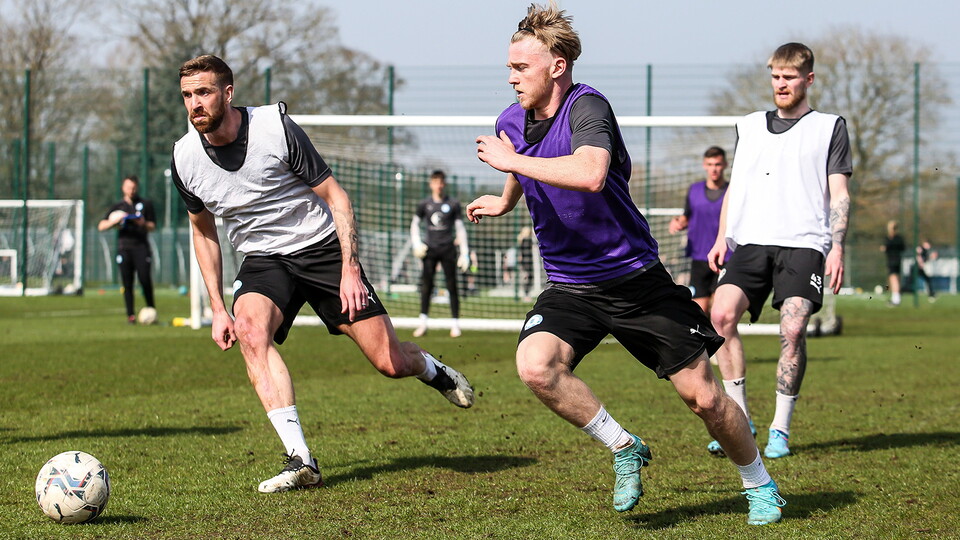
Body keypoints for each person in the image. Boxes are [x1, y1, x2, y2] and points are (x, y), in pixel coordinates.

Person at [466, 3, 785, 525]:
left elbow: (590, 173)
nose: (511, 77)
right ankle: (625, 446)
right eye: (509, 67)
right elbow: (521, 161)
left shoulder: (588, 107)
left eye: (521, 67)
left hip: (636, 280)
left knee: (704, 398)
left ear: (557, 66)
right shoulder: (510, 120)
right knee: (535, 367)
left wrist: (513, 162)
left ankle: (759, 484)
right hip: (571, 287)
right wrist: (505, 198)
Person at [171, 55, 474, 493]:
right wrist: (218, 308)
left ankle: (432, 369)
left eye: (203, 92)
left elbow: (336, 196)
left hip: (321, 248)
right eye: (187, 95)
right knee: (251, 332)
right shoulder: (185, 157)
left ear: (228, 93)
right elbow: (202, 232)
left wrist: (350, 268)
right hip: (263, 259)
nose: (195, 104)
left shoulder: (276, 129)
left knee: (389, 362)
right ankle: (301, 460)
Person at [706, 42, 852, 463]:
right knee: (719, 317)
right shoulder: (749, 125)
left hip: (804, 241)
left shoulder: (829, 127)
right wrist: (722, 237)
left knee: (792, 330)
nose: (781, 84)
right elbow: (738, 186)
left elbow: (840, 193)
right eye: (775, 76)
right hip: (751, 241)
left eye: (789, 77)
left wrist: (837, 246)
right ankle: (741, 420)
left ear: (808, 79)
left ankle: (780, 429)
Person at [410, 170, 471, 338]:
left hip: (448, 249)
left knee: (452, 285)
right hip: (430, 249)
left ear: (444, 184)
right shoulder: (424, 204)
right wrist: (416, 243)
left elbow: (460, 228)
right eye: (436, 182)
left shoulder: (453, 204)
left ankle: (455, 324)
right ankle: (422, 323)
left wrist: (464, 252)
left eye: (441, 182)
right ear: (431, 184)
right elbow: (414, 224)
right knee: (426, 285)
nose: (439, 185)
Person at [668, 146, 729, 314]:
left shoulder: (732, 192)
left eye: (717, 164)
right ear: (704, 165)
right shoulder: (694, 190)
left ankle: (722, 340)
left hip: (726, 256)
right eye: (710, 164)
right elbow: (687, 216)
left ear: (724, 164)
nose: (714, 169)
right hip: (700, 255)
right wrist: (678, 222)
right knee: (699, 310)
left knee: (720, 310)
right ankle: (703, 340)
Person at [97, 175, 157, 324]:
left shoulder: (145, 204)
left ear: (137, 187)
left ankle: (151, 310)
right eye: (129, 187)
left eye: (134, 187)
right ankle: (130, 315)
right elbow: (101, 226)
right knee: (127, 283)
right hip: (124, 248)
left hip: (141, 247)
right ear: (123, 188)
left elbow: (153, 226)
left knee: (144, 279)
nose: (131, 190)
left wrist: (142, 223)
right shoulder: (118, 207)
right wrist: (114, 222)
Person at [880, 220, 906, 306]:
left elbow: (885, 247)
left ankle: (896, 299)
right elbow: (903, 248)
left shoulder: (891, 238)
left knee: (893, 279)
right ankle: (895, 297)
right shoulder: (899, 238)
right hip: (897, 260)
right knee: (896, 279)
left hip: (892, 261)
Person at [516, 226, 535, 301]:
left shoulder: (524, 240)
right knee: (527, 278)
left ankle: (526, 294)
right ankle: (526, 295)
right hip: (526, 262)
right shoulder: (525, 240)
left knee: (528, 278)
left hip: (527, 262)